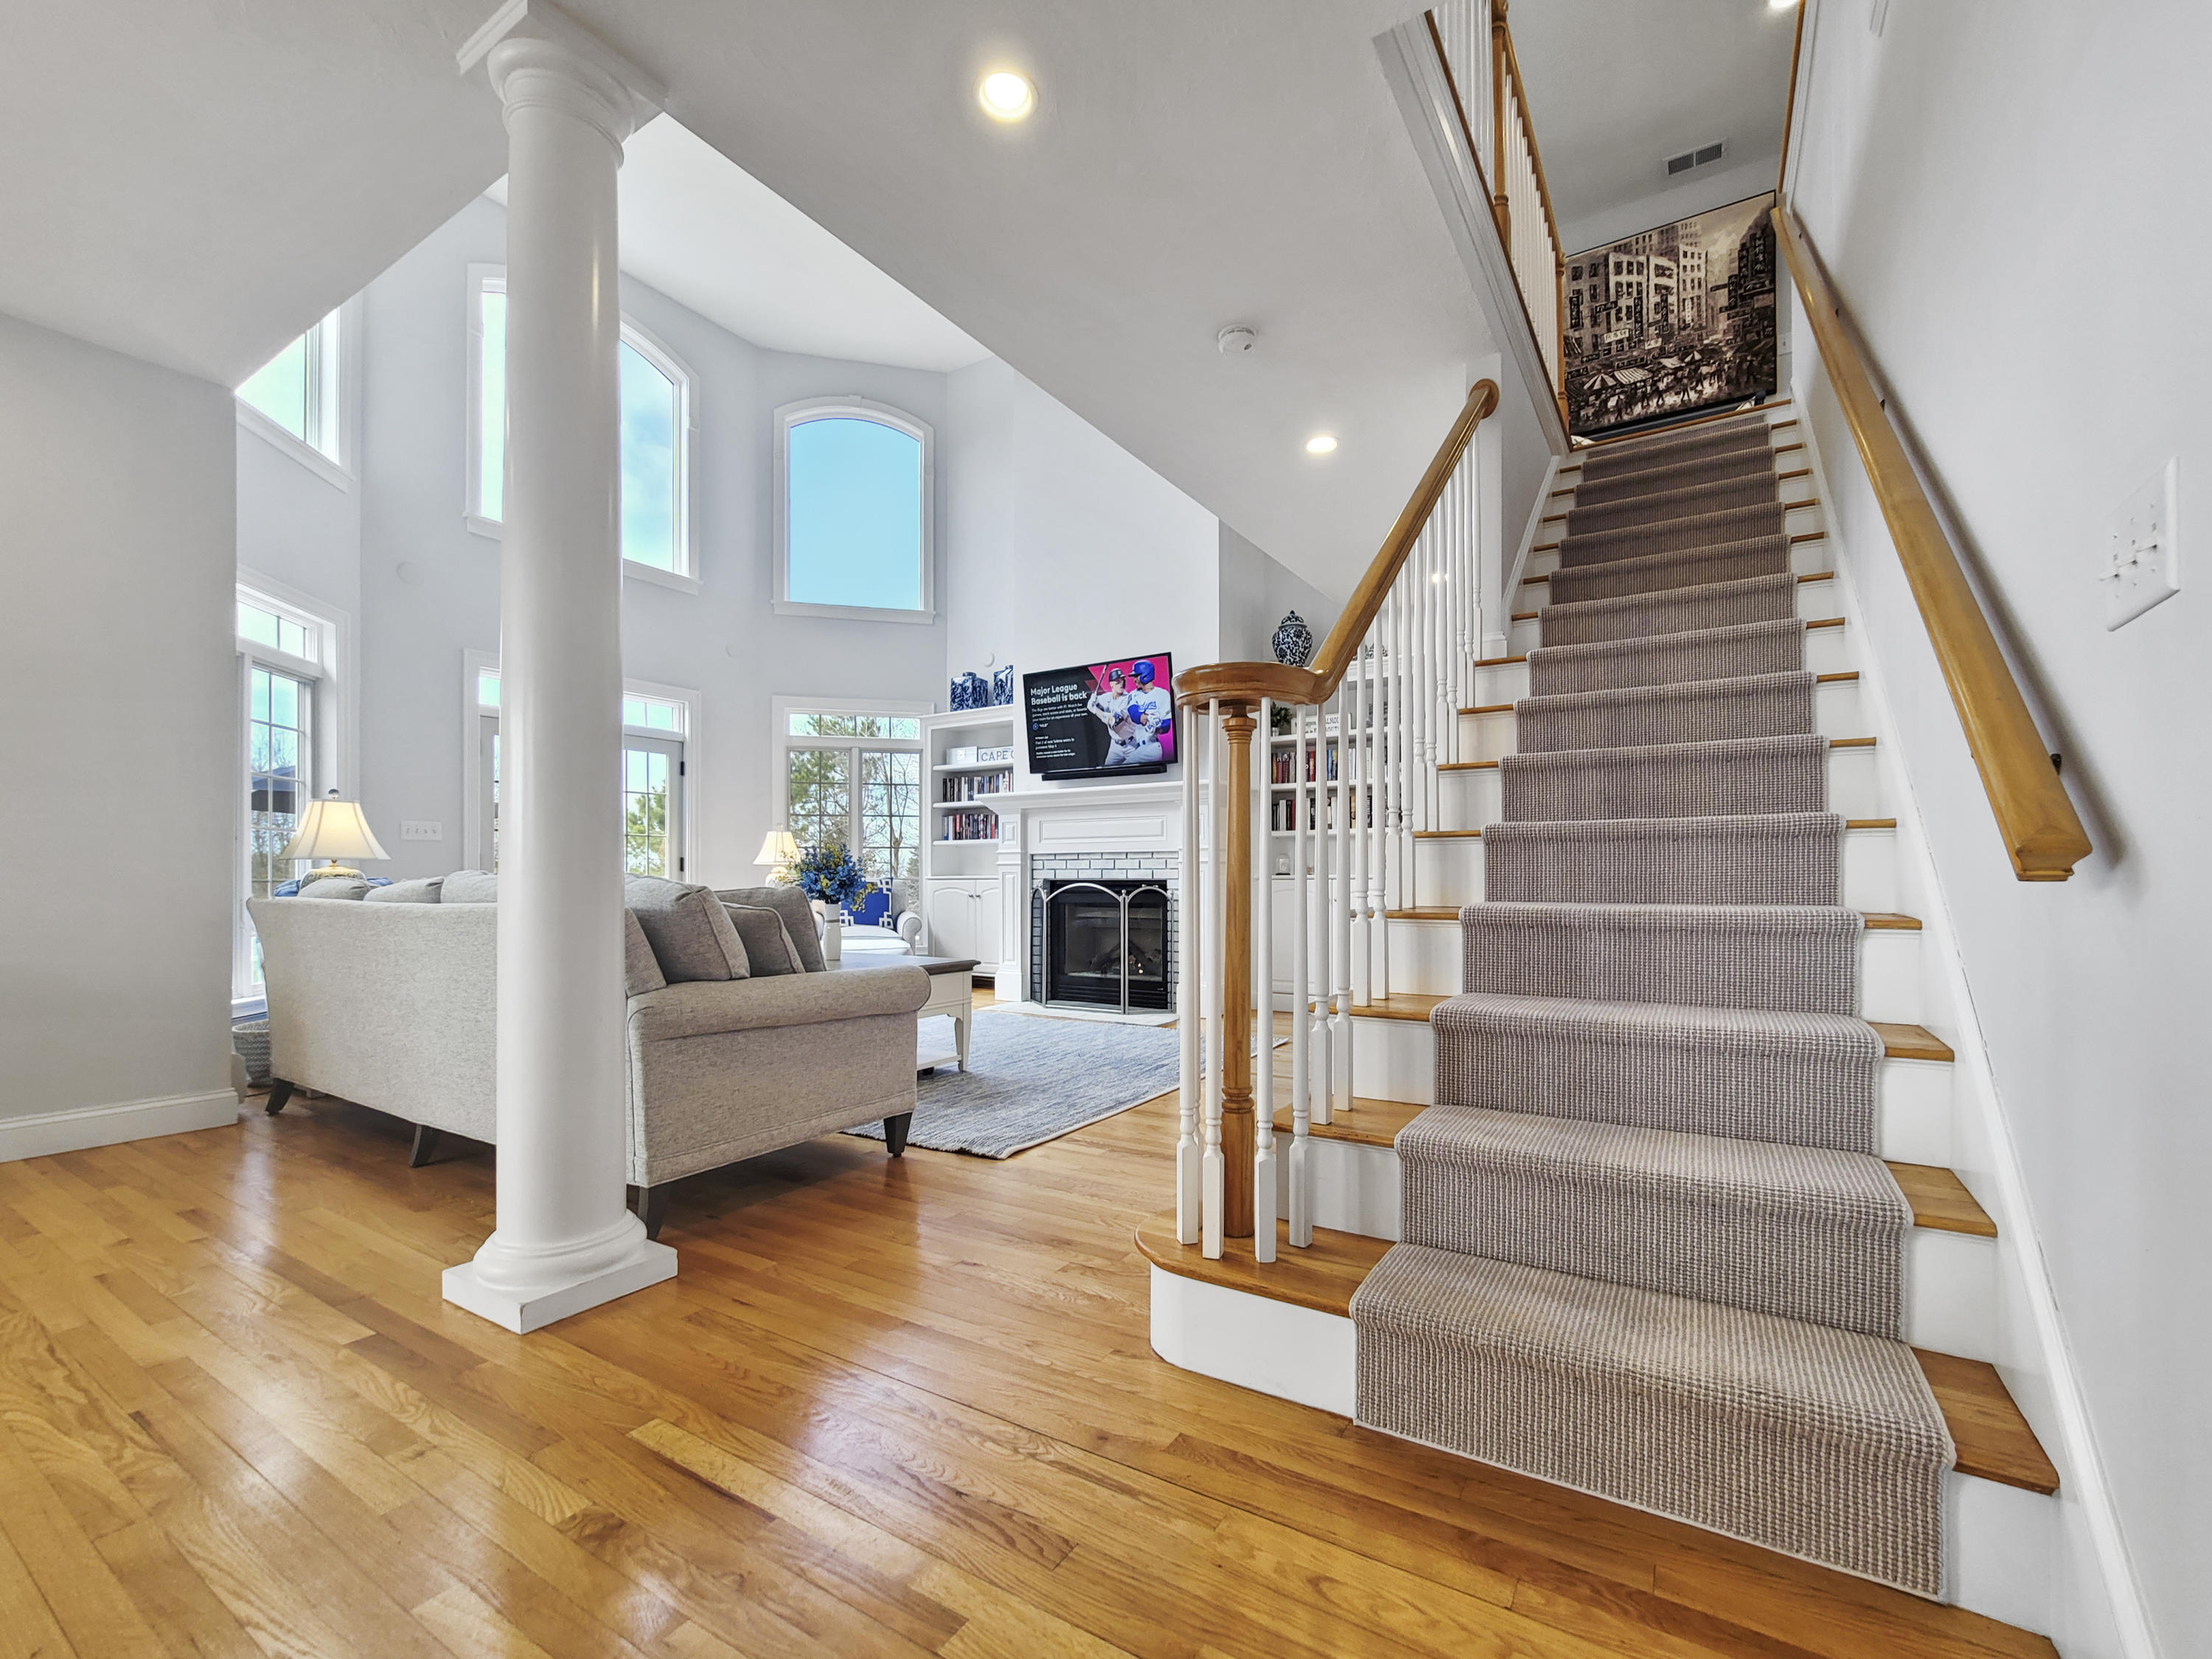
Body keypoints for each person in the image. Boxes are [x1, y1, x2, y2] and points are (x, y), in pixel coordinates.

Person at [1113, 660, 1171, 766]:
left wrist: (1156, 727)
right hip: (1139, 747)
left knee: (1124, 769)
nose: (1134, 679)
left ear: (1145, 675)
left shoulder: (1163, 694)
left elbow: (1167, 725)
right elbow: (1134, 714)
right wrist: (1148, 719)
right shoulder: (1133, 695)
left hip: (1152, 747)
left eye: (1137, 676)